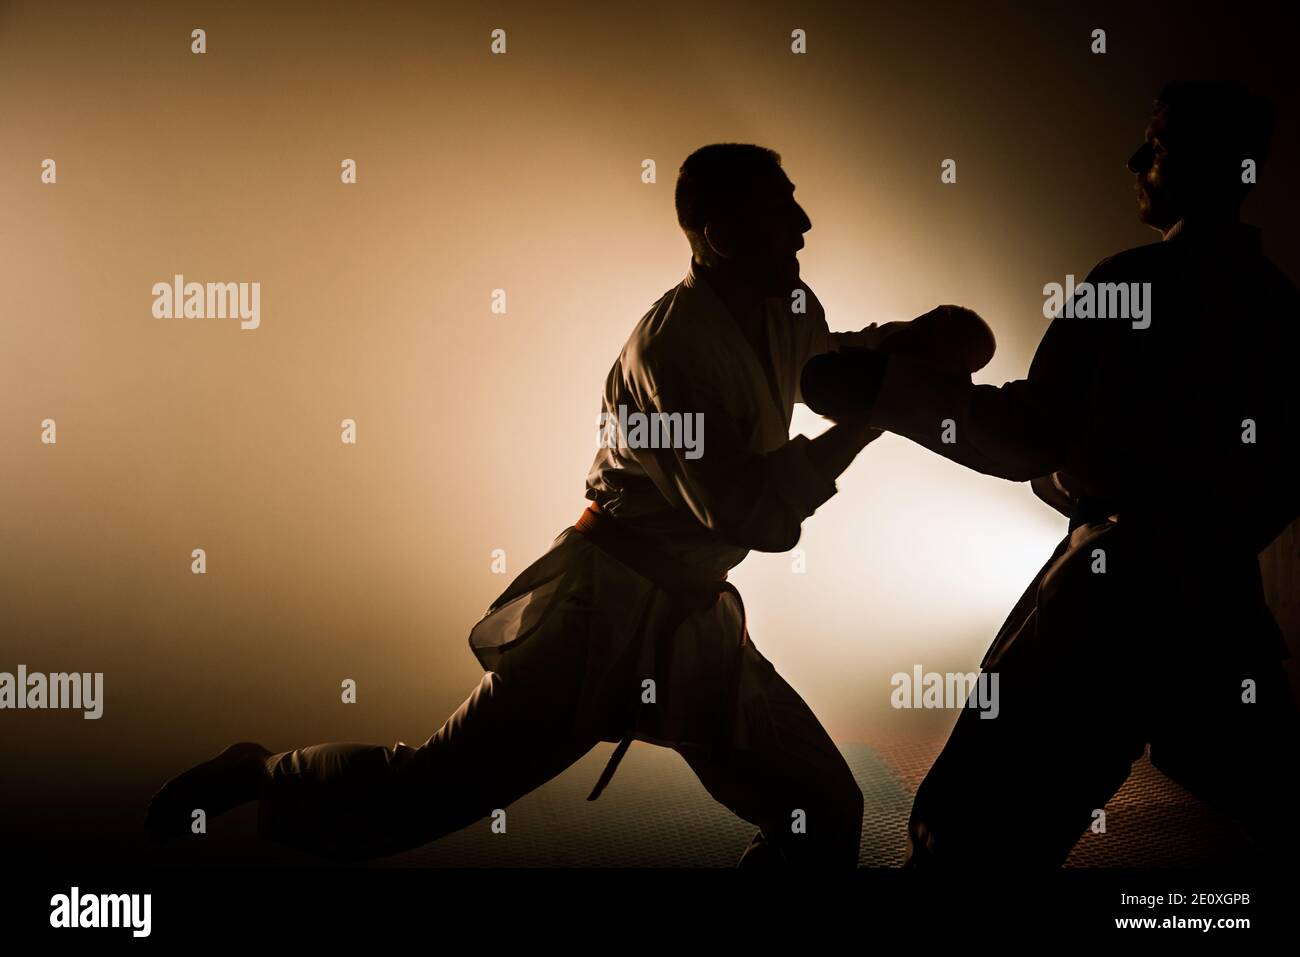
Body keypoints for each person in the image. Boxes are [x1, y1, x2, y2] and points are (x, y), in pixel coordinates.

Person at [145, 144, 988, 866]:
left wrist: (903, 343)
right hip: (601, 611)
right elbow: (751, 519)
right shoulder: (672, 349)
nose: (804, 228)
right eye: (783, 212)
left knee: (822, 811)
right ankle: (259, 772)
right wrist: (886, 411)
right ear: (721, 232)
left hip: (691, 615)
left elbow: (826, 372)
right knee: (418, 796)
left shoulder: (787, 304)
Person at [801, 81, 1300, 867]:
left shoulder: (1128, 281)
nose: (1137, 159)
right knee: (1266, 791)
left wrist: (882, 389)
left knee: (962, 835)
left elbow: (1031, 436)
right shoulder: (1281, 309)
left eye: (1159, 145)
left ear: (1209, 164)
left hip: (1107, 599)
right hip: (1215, 599)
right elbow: (1279, 476)